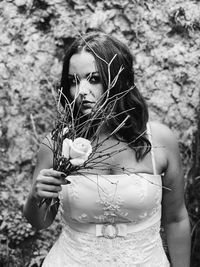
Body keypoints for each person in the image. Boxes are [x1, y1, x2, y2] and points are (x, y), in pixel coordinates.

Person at [23, 32, 191, 266]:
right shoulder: (56, 145)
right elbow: (40, 222)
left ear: (118, 79)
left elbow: (176, 218)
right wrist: (35, 196)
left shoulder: (159, 140)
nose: (81, 92)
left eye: (93, 79)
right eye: (73, 81)